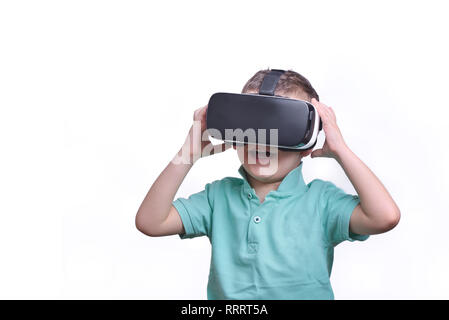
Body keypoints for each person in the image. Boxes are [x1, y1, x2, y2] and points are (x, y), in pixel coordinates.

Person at [135, 69, 401, 299]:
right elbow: (150, 222)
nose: (263, 142)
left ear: (306, 143)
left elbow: (384, 217)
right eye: (251, 125)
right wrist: (188, 153)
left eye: (281, 128)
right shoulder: (218, 198)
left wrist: (341, 149)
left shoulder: (322, 201)